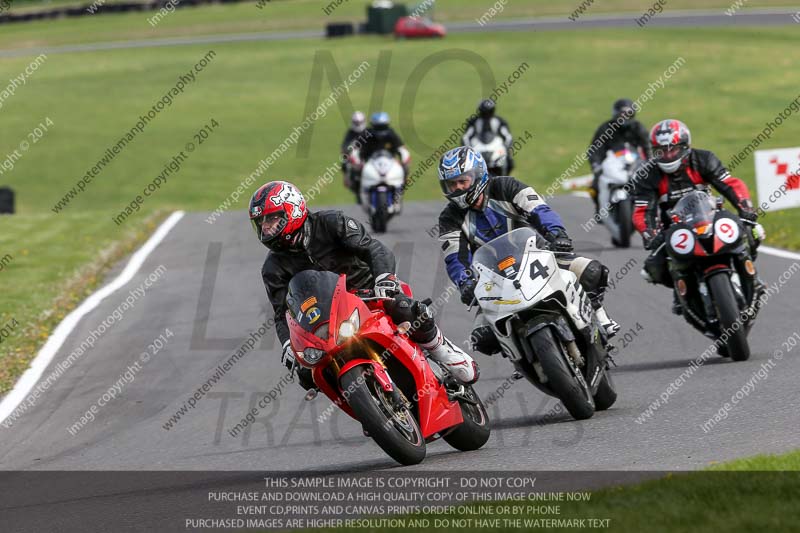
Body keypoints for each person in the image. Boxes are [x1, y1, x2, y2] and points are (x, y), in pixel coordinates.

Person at [249, 180, 478, 389]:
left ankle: (444, 352)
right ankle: (366, 405)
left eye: (272, 219)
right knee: (307, 375)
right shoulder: (272, 268)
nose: (266, 228)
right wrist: (288, 345)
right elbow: (282, 314)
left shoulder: (331, 223)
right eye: (261, 223)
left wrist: (384, 278)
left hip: (369, 293)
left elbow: (374, 249)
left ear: (293, 210)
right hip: (326, 321)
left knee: (405, 309)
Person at [436, 147, 619, 356]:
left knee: (592, 272)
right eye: (452, 184)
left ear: (478, 175)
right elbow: (455, 258)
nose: (458, 188)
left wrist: (557, 234)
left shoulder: (506, 187)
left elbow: (539, 209)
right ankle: (521, 354)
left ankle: (598, 317)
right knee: (482, 338)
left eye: (463, 181)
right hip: (493, 279)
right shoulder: (449, 218)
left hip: (539, 256)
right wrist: (465, 282)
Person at [633, 119, 764, 314]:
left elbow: (730, 184)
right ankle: (682, 292)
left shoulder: (703, 159)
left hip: (710, 217)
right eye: (661, 150)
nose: (667, 155)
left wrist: (745, 206)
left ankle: (752, 278)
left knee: (753, 231)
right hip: (675, 229)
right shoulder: (648, 175)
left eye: (672, 149)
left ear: (685, 146)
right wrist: (650, 233)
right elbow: (643, 211)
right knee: (652, 270)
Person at [587, 98, 652, 215]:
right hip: (611, 162)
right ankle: (599, 208)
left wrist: (650, 162)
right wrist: (596, 164)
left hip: (633, 162)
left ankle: (649, 210)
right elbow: (595, 149)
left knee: (652, 183)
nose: (624, 117)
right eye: (621, 114)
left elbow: (648, 146)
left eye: (628, 113)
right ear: (615, 113)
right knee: (594, 186)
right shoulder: (606, 128)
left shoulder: (638, 128)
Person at [462, 99, 514, 174]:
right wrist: (468, 149)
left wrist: (506, 147)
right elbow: (466, 137)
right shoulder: (474, 122)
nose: (486, 115)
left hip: (494, 145)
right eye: (484, 113)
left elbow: (508, 136)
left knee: (509, 160)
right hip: (478, 145)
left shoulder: (499, 121)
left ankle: (506, 177)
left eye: (488, 112)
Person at [359, 112, 411, 183]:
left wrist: (404, 170)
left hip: (389, 164)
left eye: (382, 127)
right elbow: (357, 149)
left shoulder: (391, 134)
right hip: (369, 165)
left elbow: (401, 149)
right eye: (378, 127)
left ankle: (402, 181)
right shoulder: (367, 134)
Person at [341, 111, 369, 199]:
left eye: (359, 122)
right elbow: (344, 147)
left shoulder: (369, 132)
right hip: (355, 159)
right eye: (356, 123)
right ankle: (348, 178)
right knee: (344, 158)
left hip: (368, 157)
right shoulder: (350, 133)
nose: (358, 124)